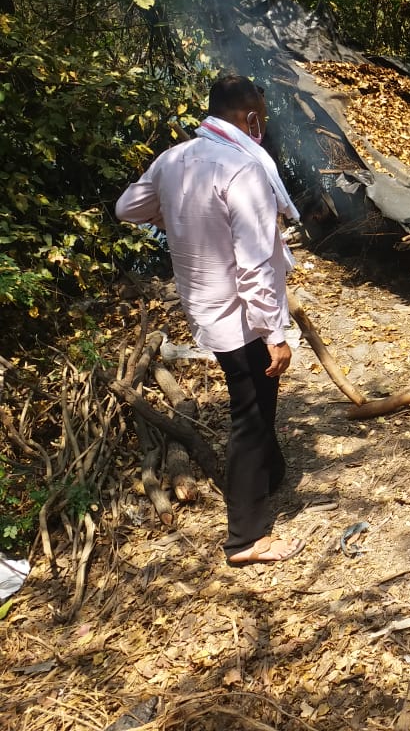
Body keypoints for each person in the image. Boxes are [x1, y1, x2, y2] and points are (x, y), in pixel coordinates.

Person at [116, 74, 304, 567]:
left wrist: (180, 217)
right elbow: (256, 262)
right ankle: (246, 538)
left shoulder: (174, 159)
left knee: (259, 402)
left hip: (205, 307)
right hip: (243, 316)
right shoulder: (243, 169)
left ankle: (270, 477)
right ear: (252, 118)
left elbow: (126, 207)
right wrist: (275, 333)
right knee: (249, 414)